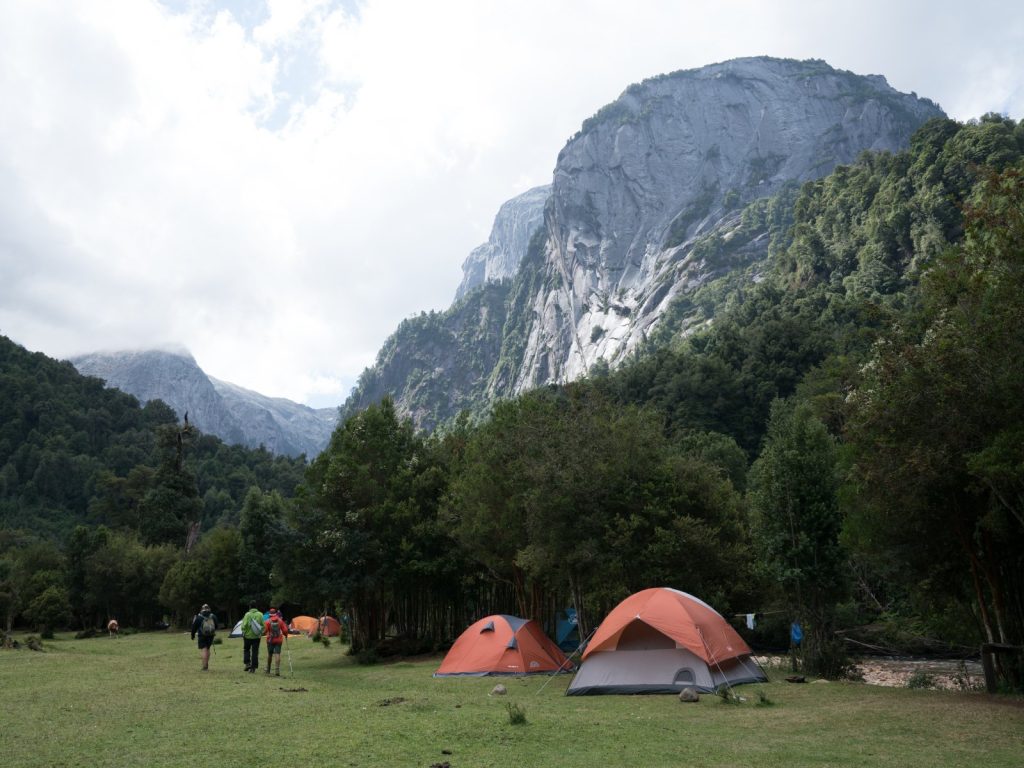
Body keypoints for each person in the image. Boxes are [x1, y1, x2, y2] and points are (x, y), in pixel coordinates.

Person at [190, 603, 218, 671]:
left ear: (202, 609)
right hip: (211, 635)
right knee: (208, 649)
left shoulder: (199, 617)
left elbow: (194, 628)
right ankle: (206, 664)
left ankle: (205, 666)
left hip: (202, 636)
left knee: (204, 649)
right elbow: (216, 626)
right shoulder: (213, 616)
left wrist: (192, 635)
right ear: (209, 609)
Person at [240, 601, 265, 673]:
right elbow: (263, 625)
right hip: (256, 637)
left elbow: (244, 625)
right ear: (256, 607)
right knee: (255, 651)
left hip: (247, 636)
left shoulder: (247, 614)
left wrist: (244, 631)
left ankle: (247, 663)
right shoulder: (260, 614)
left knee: (246, 649)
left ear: (250, 607)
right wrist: (260, 633)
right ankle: (253, 668)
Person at [263, 606, 288, 676]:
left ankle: (268, 669)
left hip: (270, 640)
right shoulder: (280, 620)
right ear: (276, 613)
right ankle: (277, 670)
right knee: (277, 654)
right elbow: (285, 630)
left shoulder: (267, 621)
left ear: (270, 614)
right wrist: (286, 635)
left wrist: (262, 633)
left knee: (270, 654)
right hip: (279, 640)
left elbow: (264, 631)